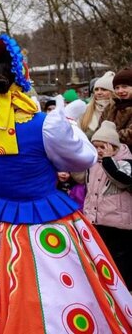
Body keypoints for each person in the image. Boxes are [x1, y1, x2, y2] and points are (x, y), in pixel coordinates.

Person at [0, 34, 132, 333]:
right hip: (48, 220)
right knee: (60, 293)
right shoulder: (47, 124)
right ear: (23, 78)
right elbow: (84, 159)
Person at [83, 120, 132, 288]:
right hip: (96, 221)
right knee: (101, 261)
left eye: (102, 146)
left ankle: (124, 293)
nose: (98, 150)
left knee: (121, 264)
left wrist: (109, 159)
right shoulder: (93, 163)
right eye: (95, 146)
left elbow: (122, 180)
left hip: (119, 225)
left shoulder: (126, 162)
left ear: (113, 146)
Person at [102, 67, 132, 146]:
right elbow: (100, 128)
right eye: (117, 88)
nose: (120, 91)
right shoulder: (111, 106)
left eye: (124, 86)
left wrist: (106, 136)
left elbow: (130, 135)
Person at [79, 71, 115, 138]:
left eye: (104, 89)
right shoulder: (86, 109)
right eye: (96, 89)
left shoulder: (119, 109)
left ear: (112, 92)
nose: (99, 92)